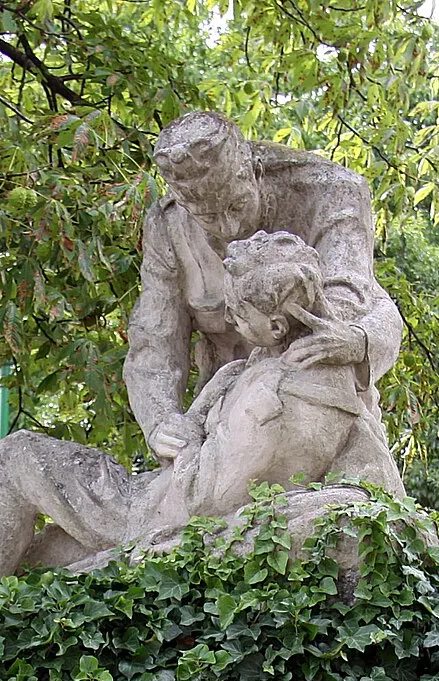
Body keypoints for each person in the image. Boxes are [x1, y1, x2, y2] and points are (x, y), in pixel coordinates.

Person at [0, 231, 398, 593]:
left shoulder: (280, 398)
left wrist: (187, 446)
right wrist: (185, 418)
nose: (228, 322)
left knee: (16, 455)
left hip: (148, 513)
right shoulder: (285, 367)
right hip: (156, 503)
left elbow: (210, 500)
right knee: (32, 561)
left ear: (276, 327)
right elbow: (379, 310)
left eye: (237, 314)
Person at [124, 110, 402, 470]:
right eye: (208, 217)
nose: (229, 226)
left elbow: (355, 300)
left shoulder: (330, 192)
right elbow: (154, 341)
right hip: (225, 425)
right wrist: (161, 420)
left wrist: (354, 339)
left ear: (254, 172)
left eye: (237, 205)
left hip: (321, 402)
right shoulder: (169, 225)